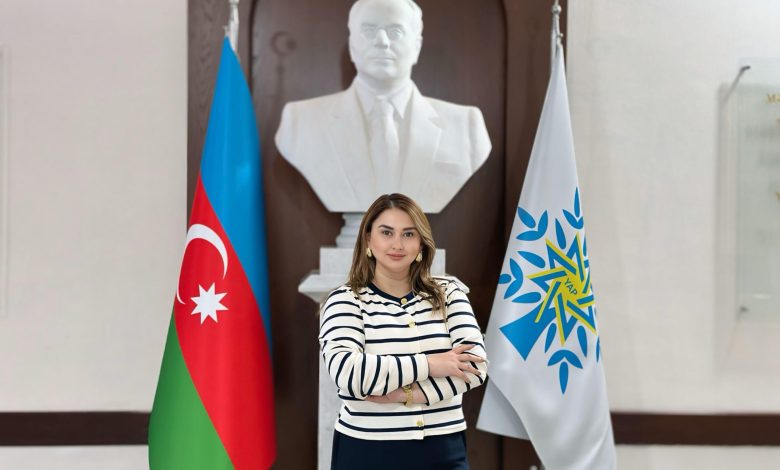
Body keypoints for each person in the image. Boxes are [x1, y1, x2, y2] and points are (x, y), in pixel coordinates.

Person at [318, 194, 488, 470]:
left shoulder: (450, 293)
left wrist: (405, 395)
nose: (397, 244)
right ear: (368, 239)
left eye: (408, 234)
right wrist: (430, 364)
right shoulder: (345, 301)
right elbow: (350, 375)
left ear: (421, 243)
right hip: (367, 452)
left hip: (445, 450)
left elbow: (475, 368)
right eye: (387, 233)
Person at [275, 0, 491, 214]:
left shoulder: (466, 127)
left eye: (395, 32)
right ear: (351, 46)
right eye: (368, 31)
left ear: (416, 47)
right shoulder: (299, 123)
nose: (381, 42)